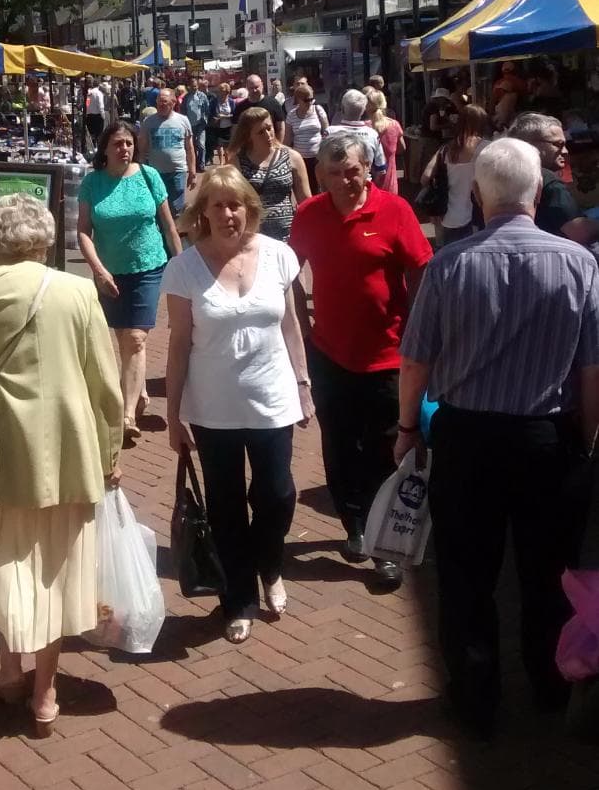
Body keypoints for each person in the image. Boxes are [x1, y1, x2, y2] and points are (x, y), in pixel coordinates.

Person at [398, 138, 599, 735]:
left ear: (479, 195)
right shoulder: (579, 263)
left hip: (468, 439)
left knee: (465, 574)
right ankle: (549, 682)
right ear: (538, 192)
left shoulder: (449, 265)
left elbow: (415, 363)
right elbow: (592, 370)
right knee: (549, 573)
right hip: (548, 437)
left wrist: (408, 428)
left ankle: (476, 697)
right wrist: (587, 442)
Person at [0, 193, 124, 736]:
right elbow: (105, 386)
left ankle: (9, 672)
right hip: (70, 453)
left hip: (2, 456)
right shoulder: (79, 290)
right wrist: (110, 452)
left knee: (5, 565)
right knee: (58, 571)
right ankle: (45, 693)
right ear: (43, 239)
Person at [165, 166, 314, 644]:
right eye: (218, 206)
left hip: (272, 397)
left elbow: (292, 324)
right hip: (213, 407)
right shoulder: (184, 268)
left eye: (237, 205)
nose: (229, 214)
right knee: (225, 506)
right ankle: (238, 599)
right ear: (202, 214)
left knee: (277, 494)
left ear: (250, 207)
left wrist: (304, 382)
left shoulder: (278, 255)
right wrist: (173, 415)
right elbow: (179, 344)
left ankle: (270, 562)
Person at [291, 134, 432, 588]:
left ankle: (384, 546)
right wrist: (303, 327)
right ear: (321, 177)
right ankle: (353, 525)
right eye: (334, 174)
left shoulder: (395, 210)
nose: (344, 180)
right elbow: (287, 273)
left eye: (352, 170)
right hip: (330, 354)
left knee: (387, 450)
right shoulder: (309, 214)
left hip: (389, 355)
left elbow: (421, 271)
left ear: (367, 168)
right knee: (338, 445)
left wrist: (419, 328)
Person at [78, 121, 181, 441]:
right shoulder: (92, 183)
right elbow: (83, 231)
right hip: (110, 272)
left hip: (148, 267)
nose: (124, 149)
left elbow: (169, 227)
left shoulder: (149, 177)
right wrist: (98, 270)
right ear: (105, 149)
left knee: (136, 338)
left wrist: (182, 266)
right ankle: (137, 392)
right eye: (117, 144)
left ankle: (126, 413)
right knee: (122, 339)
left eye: (128, 143)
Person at [508, 111, 599, 247]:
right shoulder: (546, 179)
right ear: (531, 144)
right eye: (558, 145)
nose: (565, 152)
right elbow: (579, 232)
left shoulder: (501, 174)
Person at [229, 106, 309, 241]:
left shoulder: (292, 157)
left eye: (269, 128)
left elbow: (305, 200)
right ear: (248, 136)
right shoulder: (237, 162)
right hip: (253, 237)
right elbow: (232, 202)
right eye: (260, 132)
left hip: (287, 235)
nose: (268, 135)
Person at [419, 104, 489, 245]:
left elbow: (425, 178)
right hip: (475, 217)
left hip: (448, 216)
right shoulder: (486, 147)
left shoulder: (446, 149)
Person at [139, 88, 196, 219]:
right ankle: (162, 237)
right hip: (155, 173)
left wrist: (192, 172)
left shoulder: (183, 120)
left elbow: (190, 148)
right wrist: (140, 170)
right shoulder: (149, 122)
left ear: (173, 102)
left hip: (177, 172)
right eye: (158, 102)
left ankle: (175, 236)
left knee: (176, 209)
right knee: (157, 209)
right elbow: (142, 149)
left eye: (164, 101)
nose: (161, 104)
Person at [326, 89, 387, 181]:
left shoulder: (330, 133)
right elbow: (381, 169)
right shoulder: (373, 134)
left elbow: (320, 164)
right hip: (364, 187)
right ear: (363, 111)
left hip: (337, 187)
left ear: (342, 108)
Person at [285, 84, 328, 194]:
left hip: (318, 157)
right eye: (306, 100)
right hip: (300, 159)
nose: (310, 102)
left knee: (319, 188)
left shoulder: (318, 110)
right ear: (298, 99)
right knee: (303, 188)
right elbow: (288, 139)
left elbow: (327, 132)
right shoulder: (291, 115)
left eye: (311, 99)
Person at [365, 88, 405, 195]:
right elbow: (402, 148)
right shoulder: (394, 125)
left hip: (369, 187)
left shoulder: (364, 128)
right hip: (390, 186)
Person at [233, 74, 285, 139]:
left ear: (262, 85)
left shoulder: (273, 103)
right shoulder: (240, 107)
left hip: (270, 144)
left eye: (256, 87)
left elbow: (280, 127)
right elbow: (235, 130)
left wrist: (278, 146)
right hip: (249, 147)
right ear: (247, 88)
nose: (254, 90)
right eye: (251, 88)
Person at [420, 86, 457, 163]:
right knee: (432, 162)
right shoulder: (433, 108)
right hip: (431, 139)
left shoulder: (432, 107)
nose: (446, 102)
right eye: (445, 100)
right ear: (441, 99)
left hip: (427, 138)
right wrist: (448, 125)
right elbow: (433, 126)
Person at [183, 76, 210, 173]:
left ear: (197, 86)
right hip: (189, 125)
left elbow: (207, 109)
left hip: (200, 125)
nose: (193, 88)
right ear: (189, 86)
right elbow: (183, 111)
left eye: (195, 86)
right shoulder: (186, 97)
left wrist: (205, 120)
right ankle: (194, 164)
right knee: (192, 146)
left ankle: (201, 165)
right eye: (192, 86)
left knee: (201, 145)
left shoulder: (203, 96)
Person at [206, 81, 235, 163]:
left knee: (227, 147)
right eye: (220, 92)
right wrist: (214, 117)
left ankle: (227, 161)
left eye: (223, 92)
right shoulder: (214, 101)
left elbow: (235, 115)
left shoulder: (231, 101)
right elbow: (210, 113)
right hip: (217, 126)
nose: (221, 94)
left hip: (228, 127)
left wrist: (224, 116)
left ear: (227, 92)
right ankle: (221, 163)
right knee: (219, 145)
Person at [85, 80, 105, 147]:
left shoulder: (89, 93)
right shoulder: (99, 93)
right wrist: (103, 116)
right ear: (98, 85)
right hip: (97, 116)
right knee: (99, 134)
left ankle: (93, 147)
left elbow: (87, 103)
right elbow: (101, 105)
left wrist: (87, 112)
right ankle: (99, 148)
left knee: (91, 134)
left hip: (89, 116)